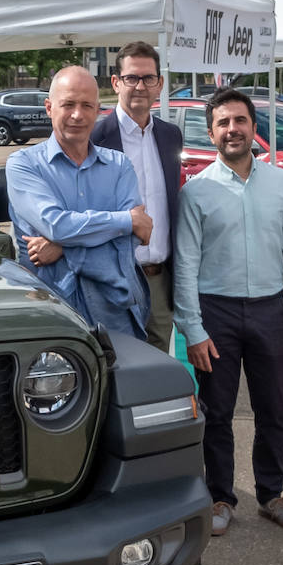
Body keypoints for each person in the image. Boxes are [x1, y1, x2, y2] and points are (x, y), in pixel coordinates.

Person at [173, 87, 283, 535]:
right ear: (211, 133)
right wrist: (192, 329)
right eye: (223, 123)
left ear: (254, 127)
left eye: (240, 120)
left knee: (274, 406)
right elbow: (185, 264)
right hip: (217, 314)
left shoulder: (282, 183)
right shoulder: (196, 191)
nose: (232, 129)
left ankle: (271, 494)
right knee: (217, 411)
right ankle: (220, 498)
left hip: (270, 309)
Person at [6, 65, 151, 338]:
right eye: (68, 104)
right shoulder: (23, 166)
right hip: (54, 318)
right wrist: (125, 221)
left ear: (98, 110)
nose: (77, 114)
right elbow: (57, 226)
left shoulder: (119, 165)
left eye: (87, 105)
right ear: (49, 107)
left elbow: (127, 244)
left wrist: (64, 249)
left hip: (117, 316)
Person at [90, 40, 183, 352]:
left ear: (160, 84)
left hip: (159, 280)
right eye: (132, 78)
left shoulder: (170, 136)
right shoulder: (95, 138)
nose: (140, 86)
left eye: (148, 78)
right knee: (118, 369)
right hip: (114, 280)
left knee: (157, 372)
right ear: (116, 83)